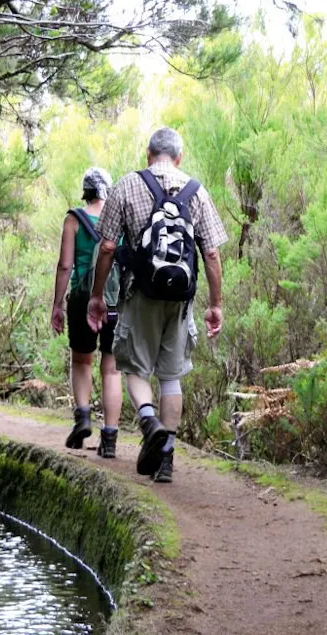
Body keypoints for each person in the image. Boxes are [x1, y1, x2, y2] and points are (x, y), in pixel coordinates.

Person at [87, 127, 226, 483]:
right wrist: (215, 305)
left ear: (148, 154)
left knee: (134, 367)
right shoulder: (197, 190)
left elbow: (106, 247)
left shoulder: (127, 185)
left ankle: (149, 422)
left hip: (139, 295)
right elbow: (210, 252)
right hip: (180, 302)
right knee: (171, 376)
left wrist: (98, 296)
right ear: (179, 157)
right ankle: (166, 461)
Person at [50, 167, 123, 457]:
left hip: (82, 299)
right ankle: (110, 440)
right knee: (112, 368)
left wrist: (57, 304)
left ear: (86, 191)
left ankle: (82, 416)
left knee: (82, 361)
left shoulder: (73, 219)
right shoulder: (119, 220)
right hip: (116, 299)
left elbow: (65, 266)